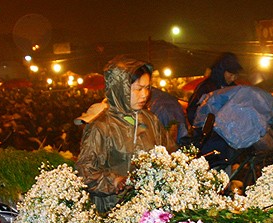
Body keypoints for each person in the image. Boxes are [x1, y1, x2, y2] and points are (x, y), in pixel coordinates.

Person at [76, 56, 175, 212]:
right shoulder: (102, 127)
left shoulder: (151, 120)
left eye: (147, 88)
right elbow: (86, 171)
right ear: (120, 89)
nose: (144, 95)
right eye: (138, 89)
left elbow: (170, 153)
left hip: (150, 209)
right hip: (114, 210)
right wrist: (114, 181)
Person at [186, 52, 243, 126]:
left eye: (235, 76)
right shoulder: (206, 87)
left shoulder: (234, 89)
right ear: (221, 71)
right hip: (208, 134)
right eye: (231, 75)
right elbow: (192, 112)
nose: (232, 79)